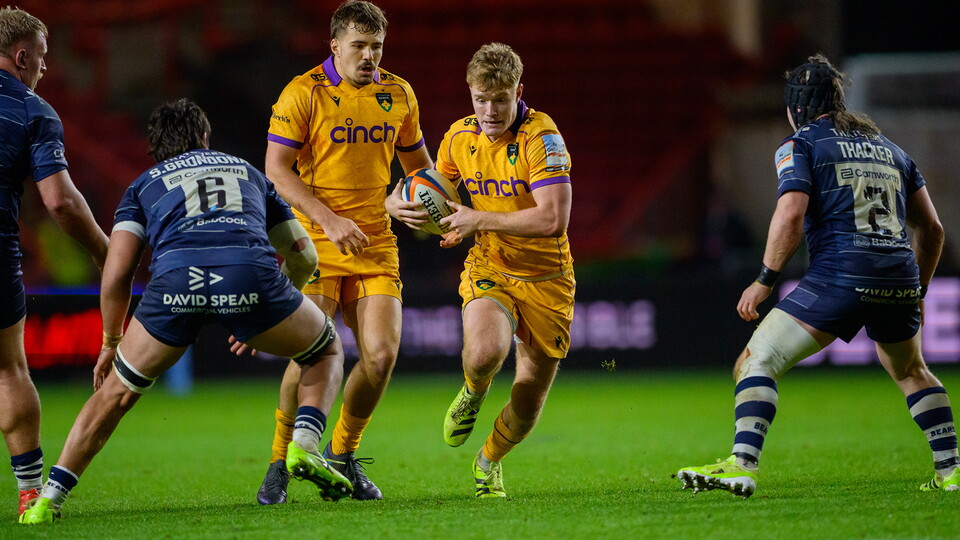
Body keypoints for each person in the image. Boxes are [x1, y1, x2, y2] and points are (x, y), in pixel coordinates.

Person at [19, 99, 354, 525]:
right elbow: (303, 256)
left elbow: (118, 273)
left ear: (155, 148)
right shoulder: (246, 171)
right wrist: (270, 310)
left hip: (176, 282)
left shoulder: (142, 186)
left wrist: (110, 341)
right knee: (325, 349)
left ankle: (49, 498)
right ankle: (304, 444)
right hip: (248, 275)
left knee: (116, 394)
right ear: (204, 137)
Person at [676, 54, 954, 497]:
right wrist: (917, 289)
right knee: (911, 370)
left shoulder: (799, 143)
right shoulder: (893, 150)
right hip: (898, 274)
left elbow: (790, 212)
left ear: (796, 107)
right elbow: (933, 230)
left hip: (841, 275)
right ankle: (952, 470)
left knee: (756, 360)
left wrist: (764, 279)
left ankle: (741, 464)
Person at [255, 0, 432, 503]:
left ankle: (341, 454)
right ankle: (279, 461)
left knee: (381, 355)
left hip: (375, 241)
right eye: (359, 45)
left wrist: (416, 205)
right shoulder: (303, 92)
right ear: (335, 45)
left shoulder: (398, 93)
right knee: (311, 354)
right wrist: (330, 221)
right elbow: (276, 170)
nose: (370, 55)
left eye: (377, 46)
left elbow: (420, 172)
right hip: (313, 243)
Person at [401, 42, 574, 498]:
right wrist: (413, 213)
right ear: (470, 93)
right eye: (481, 99)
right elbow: (434, 192)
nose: (490, 110)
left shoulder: (542, 138)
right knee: (483, 355)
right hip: (491, 264)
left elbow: (553, 218)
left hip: (547, 279)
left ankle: (489, 459)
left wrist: (476, 218)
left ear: (520, 91)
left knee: (528, 398)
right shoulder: (459, 137)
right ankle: (474, 391)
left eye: (500, 99)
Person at [0, 6, 109, 518]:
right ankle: (29, 494)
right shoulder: (32, 111)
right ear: (22, 57)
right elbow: (61, 203)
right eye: (41, 59)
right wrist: (105, 251)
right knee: (9, 369)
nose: (44, 69)